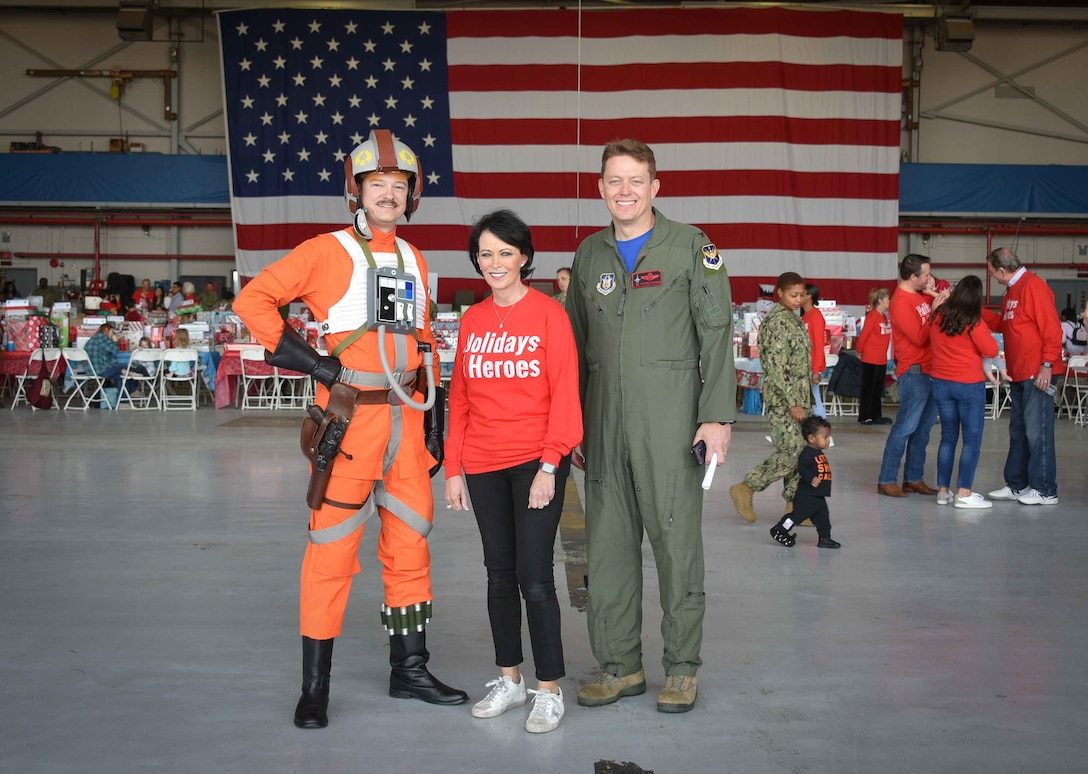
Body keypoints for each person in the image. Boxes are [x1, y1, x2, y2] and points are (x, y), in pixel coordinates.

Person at [233, 128, 466, 730]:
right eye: (377, 184)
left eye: (399, 186)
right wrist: (313, 364)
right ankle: (316, 688)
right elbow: (253, 302)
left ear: (412, 196)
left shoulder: (415, 258)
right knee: (330, 552)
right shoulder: (323, 251)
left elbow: (423, 342)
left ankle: (409, 671)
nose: (388, 195)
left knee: (410, 545)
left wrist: (433, 419)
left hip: (406, 426)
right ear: (356, 192)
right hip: (349, 422)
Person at [566, 138, 736, 714]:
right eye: (614, 181)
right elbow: (573, 346)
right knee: (608, 549)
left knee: (676, 547)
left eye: (635, 180)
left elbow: (716, 335)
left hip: (671, 423)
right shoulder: (589, 255)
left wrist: (715, 416)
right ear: (601, 189)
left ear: (655, 187)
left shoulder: (692, 248)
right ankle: (620, 667)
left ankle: (682, 669)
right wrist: (572, 426)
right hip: (602, 424)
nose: (625, 191)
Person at [444, 209, 582, 734]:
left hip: (535, 462)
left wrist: (551, 464)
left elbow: (565, 396)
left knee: (535, 577)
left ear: (524, 257)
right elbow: (458, 399)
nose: (495, 262)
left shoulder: (550, 314)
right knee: (498, 574)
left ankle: (549, 689)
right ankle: (510, 679)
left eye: (505, 252)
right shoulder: (474, 320)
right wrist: (453, 467)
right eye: (486, 253)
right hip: (481, 463)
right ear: (476, 260)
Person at [984, 247, 1063, 506]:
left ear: (1003, 271)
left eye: (993, 272)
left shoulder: (1033, 286)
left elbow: (1052, 328)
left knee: (1037, 432)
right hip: (1019, 373)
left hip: (1036, 372)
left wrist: (1047, 363)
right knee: (1018, 431)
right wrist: (973, 309)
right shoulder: (1012, 292)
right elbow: (1003, 325)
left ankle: (1044, 490)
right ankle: (1017, 484)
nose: (993, 277)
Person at [731, 272, 810, 524]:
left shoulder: (793, 320)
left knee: (802, 451)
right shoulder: (777, 322)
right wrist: (794, 401)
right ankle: (747, 486)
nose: (798, 300)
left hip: (799, 396)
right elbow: (776, 368)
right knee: (792, 451)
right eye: (792, 295)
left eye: (801, 295)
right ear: (780, 293)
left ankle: (794, 507)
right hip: (785, 400)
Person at [876, 254, 948, 498]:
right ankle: (887, 479)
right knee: (906, 427)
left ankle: (913, 478)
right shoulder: (900, 302)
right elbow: (919, 337)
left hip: (931, 368)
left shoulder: (920, 295)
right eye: (926, 274)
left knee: (924, 429)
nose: (930, 279)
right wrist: (934, 311)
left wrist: (932, 298)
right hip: (915, 370)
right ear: (913, 276)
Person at [928, 276, 1000, 509]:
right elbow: (991, 348)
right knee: (971, 439)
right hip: (968, 384)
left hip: (941, 382)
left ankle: (943, 491)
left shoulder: (938, 316)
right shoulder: (973, 321)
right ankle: (964, 493)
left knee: (948, 437)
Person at [769, 415, 838, 549]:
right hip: (807, 496)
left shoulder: (818, 453)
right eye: (825, 437)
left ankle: (825, 538)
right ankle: (780, 529)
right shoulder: (807, 453)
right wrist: (811, 478)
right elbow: (801, 468)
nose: (828, 441)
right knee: (797, 516)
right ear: (812, 438)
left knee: (823, 519)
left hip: (818, 496)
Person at [857, 287, 893, 425]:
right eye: (888, 299)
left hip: (881, 359)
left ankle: (876, 415)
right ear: (881, 300)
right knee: (869, 389)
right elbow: (864, 335)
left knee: (877, 390)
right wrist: (859, 350)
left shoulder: (884, 316)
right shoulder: (873, 316)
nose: (889, 301)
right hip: (871, 359)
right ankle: (866, 416)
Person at [801, 284, 828, 419]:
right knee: (808, 401)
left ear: (809, 296)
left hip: (812, 365)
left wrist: (816, 370)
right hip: (804, 364)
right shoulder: (805, 316)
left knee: (815, 401)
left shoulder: (815, 316)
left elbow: (818, 344)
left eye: (802, 294)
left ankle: (825, 434)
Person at [84, 322, 125, 388]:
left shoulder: (94, 338)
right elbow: (115, 349)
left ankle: (123, 395)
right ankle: (129, 393)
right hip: (100, 370)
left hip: (90, 371)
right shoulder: (103, 338)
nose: (112, 334)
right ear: (106, 329)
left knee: (119, 374)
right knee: (125, 366)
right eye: (112, 331)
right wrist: (115, 341)